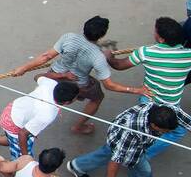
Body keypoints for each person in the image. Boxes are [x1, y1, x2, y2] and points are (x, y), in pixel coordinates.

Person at [9, 16, 146, 133]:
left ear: (84, 28)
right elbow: (109, 85)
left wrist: (23, 68)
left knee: (42, 94)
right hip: (79, 84)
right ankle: (79, 126)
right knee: (98, 97)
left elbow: (46, 57)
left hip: (55, 74)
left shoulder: (68, 38)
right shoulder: (98, 57)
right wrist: (135, 90)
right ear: (102, 35)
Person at [104, 17, 191, 161]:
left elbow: (119, 65)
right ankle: (145, 152)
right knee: (175, 131)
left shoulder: (146, 52)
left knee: (143, 129)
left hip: (149, 98)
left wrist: (109, 57)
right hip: (173, 104)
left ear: (161, 39)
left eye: (155, 31)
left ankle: (139, 154)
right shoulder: (190, 55)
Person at [0, 78, 80, 160]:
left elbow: (38, 76)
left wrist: (62, 75)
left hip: (13, 109)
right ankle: (10, 173)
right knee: (21, 160)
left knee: (13, 140)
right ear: (67, 102)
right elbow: (23, 133)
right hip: (14, 123)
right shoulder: (48, 114)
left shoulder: (51, 83)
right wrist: (25, 158)